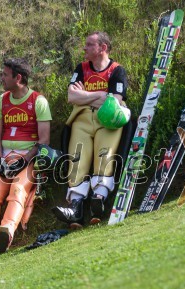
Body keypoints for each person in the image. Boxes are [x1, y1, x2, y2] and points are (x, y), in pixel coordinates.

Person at [0, 58, 52, 255]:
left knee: (17, 189)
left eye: (5, 75)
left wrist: (25, 161)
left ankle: (6, 231)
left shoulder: (38, 101)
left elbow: (44, 140)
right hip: (4, 157)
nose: (1, 78)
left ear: (18, 78)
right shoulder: (1, 101)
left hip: (28, 157)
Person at [52, 31, 130, 228]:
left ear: (102, 48)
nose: (84, 48)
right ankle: (75, 207)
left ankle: (99, 200)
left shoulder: (117, 71)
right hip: (82, 119)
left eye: (89, 44)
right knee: (77, 159)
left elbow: (114, 101)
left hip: (107, 120)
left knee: (105, 156)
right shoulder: (82, 68)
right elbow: (72, 97)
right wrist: (100, 94)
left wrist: (84, 94)